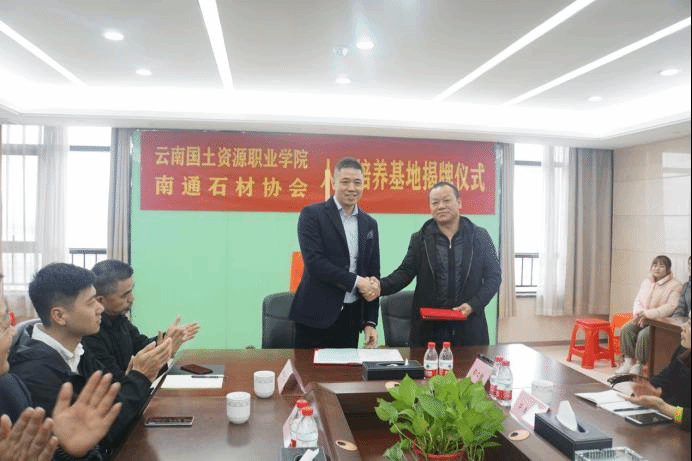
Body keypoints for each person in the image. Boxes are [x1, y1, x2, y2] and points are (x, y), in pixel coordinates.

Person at [8, 263, 172, 457]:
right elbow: (105, 432)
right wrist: (140, 376)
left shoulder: (78, 350)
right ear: (59, 315)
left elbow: (115, 398)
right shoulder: (35, 374)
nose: (100, 308)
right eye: (91, 302)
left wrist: (136, 378)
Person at [0, 276, 122, 461]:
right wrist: (141, 375)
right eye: (3, 323)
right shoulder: (31, 373)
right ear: (58, 316)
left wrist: (71, 452)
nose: (13, 332)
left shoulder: (10, 387)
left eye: (8, 320)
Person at [377, 181, 501, 347]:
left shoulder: (479, 236)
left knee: (468, 365)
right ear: (430, 207)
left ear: (459, 202)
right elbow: (404, 273)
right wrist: (378, 286)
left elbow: (494, 277)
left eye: (447, 200)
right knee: (426, 364)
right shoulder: (420, 239)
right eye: (435, 202)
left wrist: (473, 305)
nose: (441, 206)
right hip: (429, 332)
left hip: (470, 329)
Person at [289, 157, 380, 349]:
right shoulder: (312, 215)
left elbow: (373, 274)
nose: (351, 188)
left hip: (351, 318)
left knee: (347, 369)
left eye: (357, 182)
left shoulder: (369, 224)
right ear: (334, 183)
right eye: (345, 182)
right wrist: (357, 281)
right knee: (309, 369)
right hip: (314, 316)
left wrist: (370, 322)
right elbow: (315, 263)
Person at [82, 260, 200, 382]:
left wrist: (168, 339)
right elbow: (118, 385)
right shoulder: (90, 335)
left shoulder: (119, 320)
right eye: (125, 295)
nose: (132, 298)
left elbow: (142, 345)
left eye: (131, 291)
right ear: (100, 300)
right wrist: (163, 355)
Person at [615, 255, 682, 375]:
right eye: (655, 265)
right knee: (626, 329)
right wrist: (640, 313)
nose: (657, 268)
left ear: (668, 269)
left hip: (660, 322)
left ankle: (639, 365)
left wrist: (648, 314)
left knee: (644, 335)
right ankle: (628, 362)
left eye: (661, 266)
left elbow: (670, 307)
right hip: (643, 318)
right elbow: (638, 301)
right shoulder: (646, 282)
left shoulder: (675, 285)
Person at [626, 317, 690, 431]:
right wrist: (655, 390)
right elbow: (667, 376)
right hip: (673, 425)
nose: (683, 327)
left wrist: (661, 406)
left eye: (689, 324)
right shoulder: (684, 349)